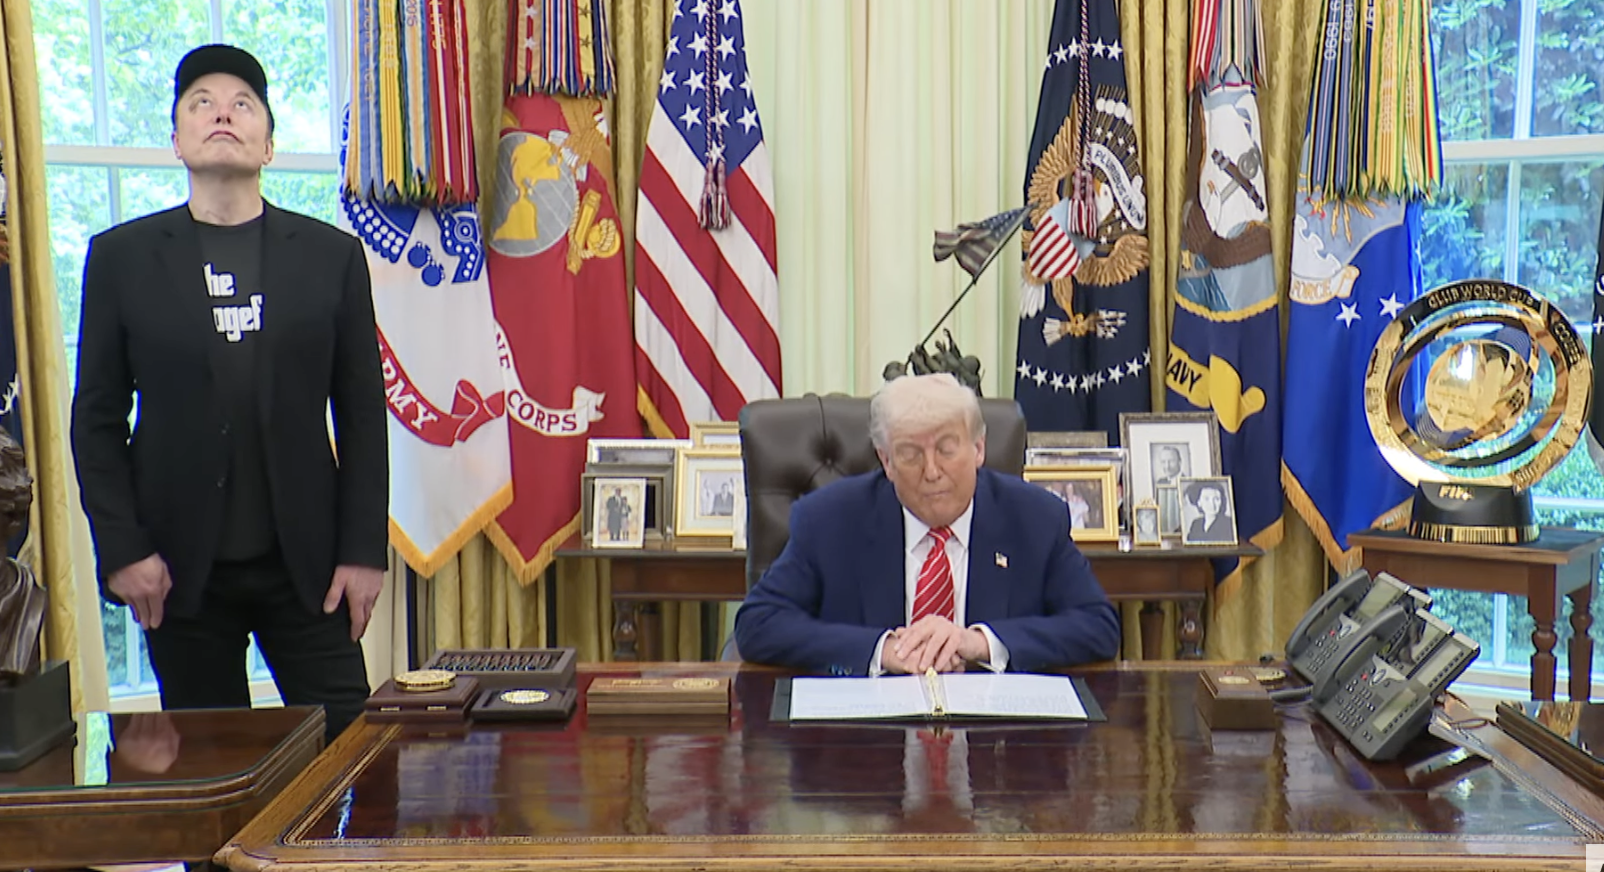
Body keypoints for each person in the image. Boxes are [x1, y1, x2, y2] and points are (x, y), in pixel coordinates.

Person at [69, 45, 387, 742]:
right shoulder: (120, 259)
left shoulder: (331, 258)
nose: (222, 112)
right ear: (177, 140)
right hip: (177, 572)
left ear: (268, 143)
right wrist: (122, 549)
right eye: (201, 102)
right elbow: (95, 419)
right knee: (208, 774)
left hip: (308, 566)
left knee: (357, 756)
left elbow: (362, 413)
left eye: (243, 103)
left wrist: (364, 550)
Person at [733, 374, 1120, 675]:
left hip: (998, 753)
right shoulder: (829, 520)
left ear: (978, 448)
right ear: (886, 461)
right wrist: (883, 650)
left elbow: (1097, 626)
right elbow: (758, 624)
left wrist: (978, 643)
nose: (931, 471)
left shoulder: (1035, 519)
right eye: (910, 454)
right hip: (862, 754)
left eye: (947, 449)